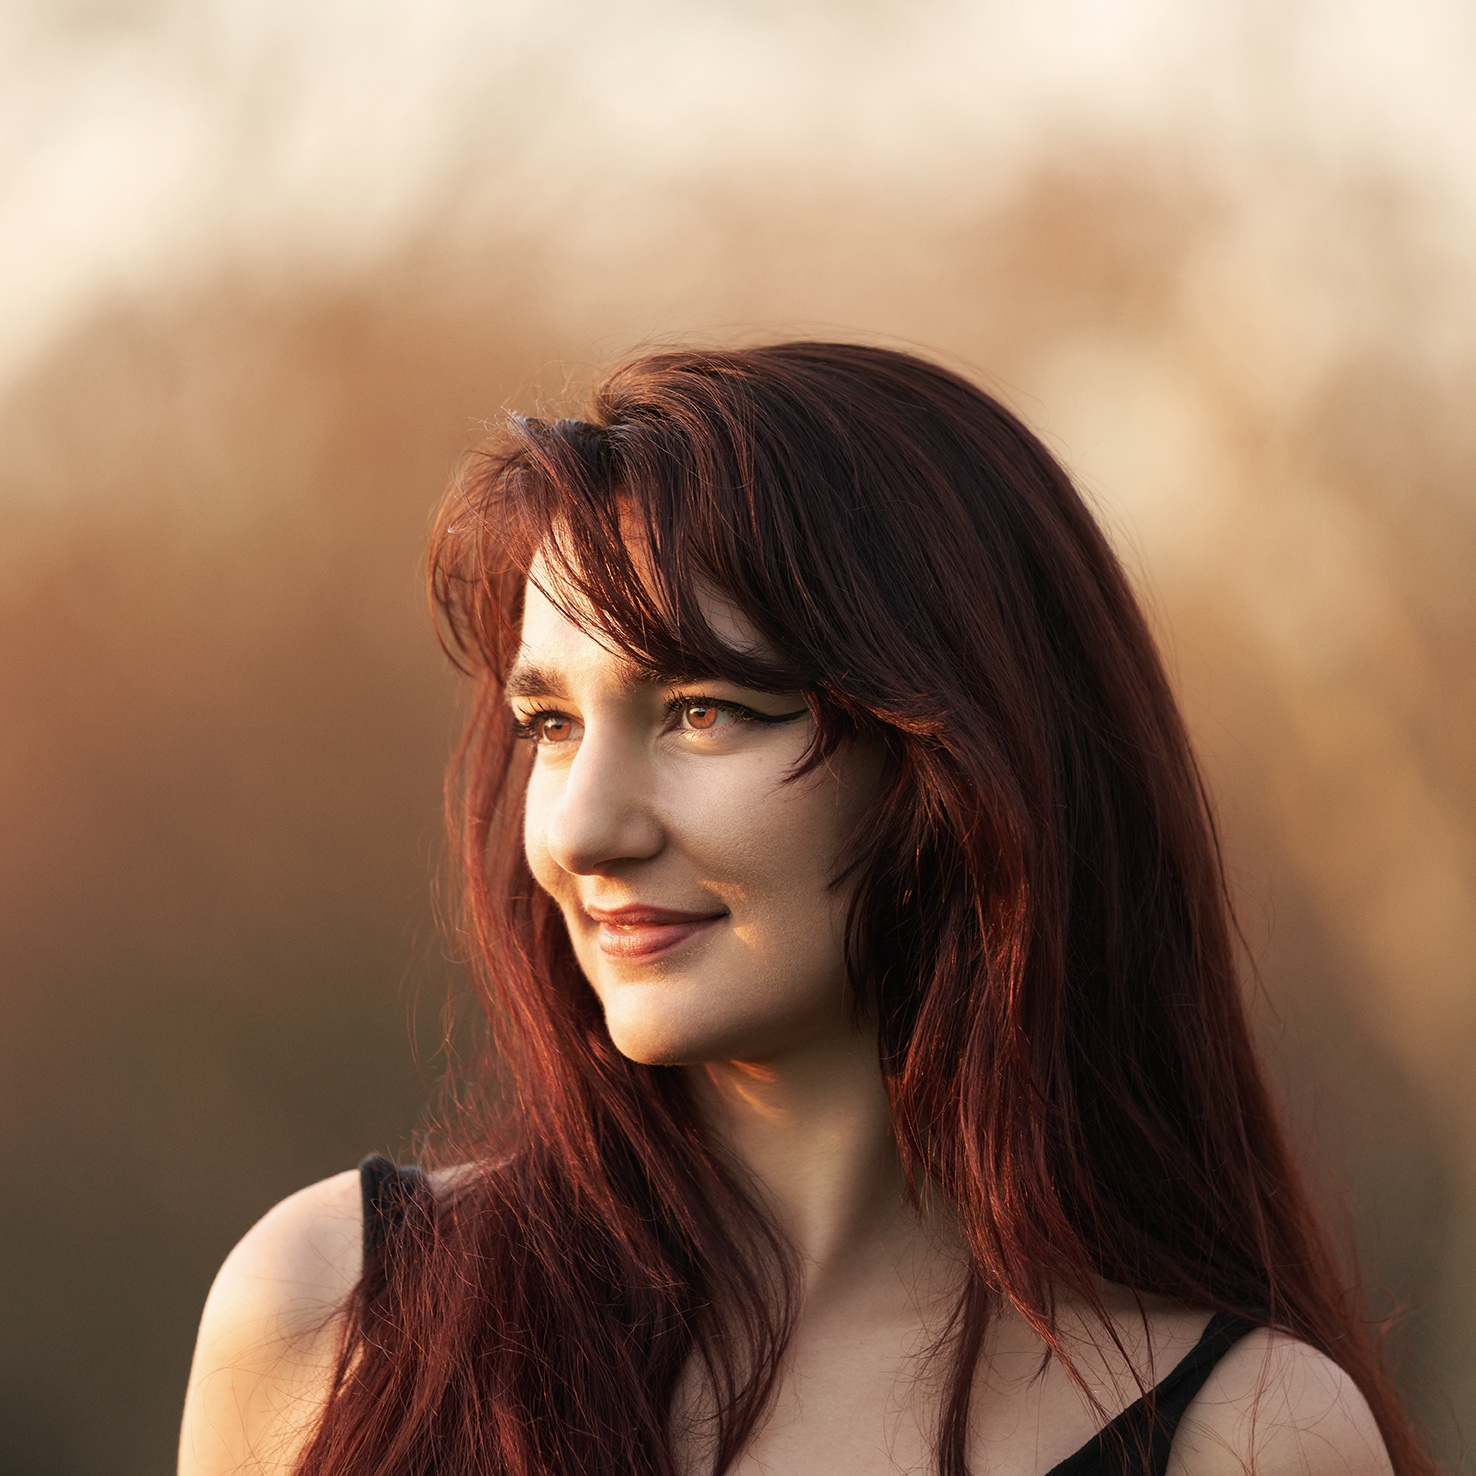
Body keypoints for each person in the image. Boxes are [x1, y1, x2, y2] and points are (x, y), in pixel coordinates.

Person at [178, 342, 1427, 1476]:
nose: (579, 829)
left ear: (956, 765)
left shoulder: (1247, 1437)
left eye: (702, 711)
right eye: (549, 724)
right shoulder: (337, 1314)